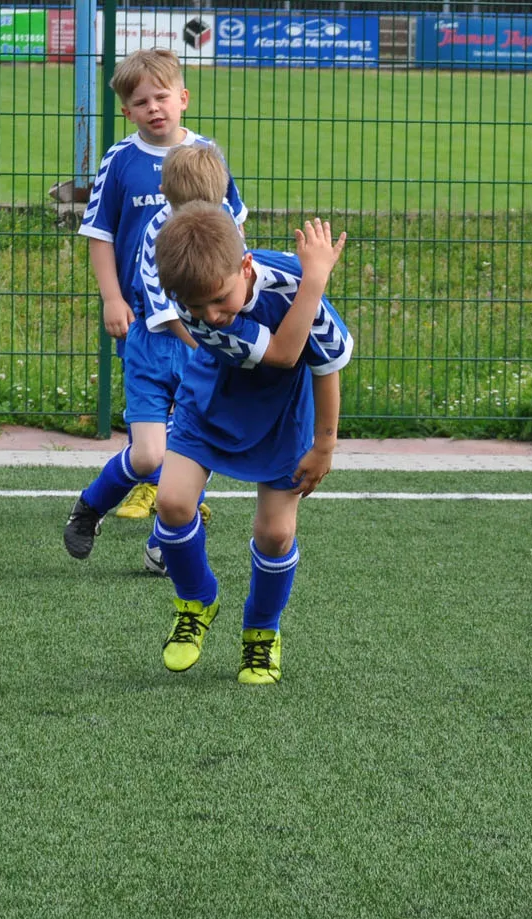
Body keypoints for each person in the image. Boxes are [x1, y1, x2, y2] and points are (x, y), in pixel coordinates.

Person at [150, 205, 353, 685]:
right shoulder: (198, 309)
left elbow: (326, 365)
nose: (210, 316)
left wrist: (324, 445)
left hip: (282, 416)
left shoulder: (290, 282)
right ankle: (197, 598)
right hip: (212, 398)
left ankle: (261, 631)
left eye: (219, 300)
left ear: (245, 267)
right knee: (172, 502)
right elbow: (283, 353)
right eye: (196, 307)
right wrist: (315, 281)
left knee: (275, 534)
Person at [66, 49, 247, 566]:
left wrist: (235, 316)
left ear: (183, 98)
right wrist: (112, 297)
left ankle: (168, 534)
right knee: (148, 452)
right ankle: (91, 506)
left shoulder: (207, 157)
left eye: (162, 97)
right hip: (151, 333)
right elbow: (100, 232)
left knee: (195, 440)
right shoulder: (122, 162)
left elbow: (235, 240)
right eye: (141, 102)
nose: (154, 108)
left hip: (200, 334)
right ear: (127, 111)